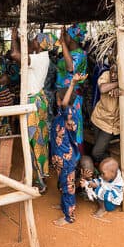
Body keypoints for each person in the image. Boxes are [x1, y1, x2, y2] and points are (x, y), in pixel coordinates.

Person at [10, 30, 52, 193]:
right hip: (36, 101)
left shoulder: (39, 59)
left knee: (34, 142)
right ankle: (39, 176)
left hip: (34, 102)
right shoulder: (40, 56)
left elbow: (15, 54)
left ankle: (40, 181)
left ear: (39, 44)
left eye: (35, 39)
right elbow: (25, 48)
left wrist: (14, 40)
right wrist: (21, 37)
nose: (32, 40)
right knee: (36, 141)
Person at [50, 72, 84, 227]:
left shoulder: (69, 114)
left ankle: (69, 216)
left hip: (66, 159)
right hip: (59, 158)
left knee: (68, 186)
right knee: (63, 184)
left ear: (60, 100)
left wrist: (72, 84)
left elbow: (65, 105)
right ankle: (64, 206)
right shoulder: (62, 115)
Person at [55, 23, 88, 149]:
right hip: (63, 95)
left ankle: (76, 158)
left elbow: (70, 68)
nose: (65, 37)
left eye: (67, 35)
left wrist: (63, 43)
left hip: (72, 96)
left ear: (73, 37)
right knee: (64, 126)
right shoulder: (69, 52)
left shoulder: (80, 54)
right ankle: (64, 157)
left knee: (73, 125)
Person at [90, 61, 119, 164]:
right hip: (98, 118)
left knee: (96, 153)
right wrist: (118, 84)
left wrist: (120, 89)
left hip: (110, 125)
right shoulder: (106, 75)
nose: (113, 75)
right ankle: (105, 169)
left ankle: (112, 168)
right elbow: (102, 88)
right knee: (99, 149)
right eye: (112, 72)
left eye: (116, 73)